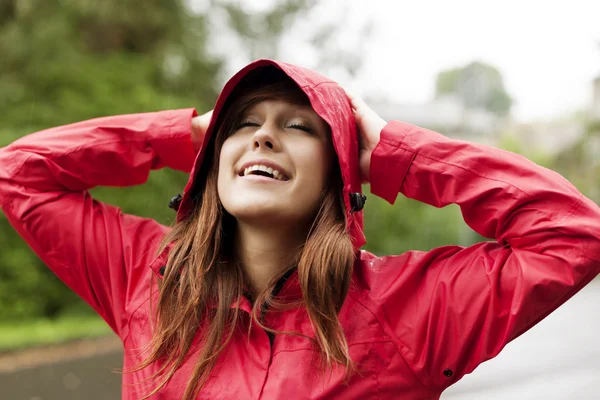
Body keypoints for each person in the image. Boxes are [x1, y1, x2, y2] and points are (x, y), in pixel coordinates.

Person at [0, 59, 599, 400]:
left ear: (340, 167)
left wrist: (395, 154)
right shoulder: (143, 276)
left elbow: (574, 234)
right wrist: (182, 135)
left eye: (298, 126)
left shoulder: (409, 308)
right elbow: (19, 176)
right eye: (243, 123)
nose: (263, 136)